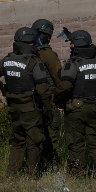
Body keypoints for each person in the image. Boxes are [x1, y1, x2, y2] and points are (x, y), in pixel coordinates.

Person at [0, 27, 53, 176]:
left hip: (13, 108)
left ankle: (11, 173)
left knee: (17, 142)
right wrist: (49, 109)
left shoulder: (7, 59)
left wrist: (2, 87)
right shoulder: (34, 62)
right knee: (33, 142)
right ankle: (33, 175)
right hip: (31, 108)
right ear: (29, 42)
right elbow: (43, 89)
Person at [58, 30, 96, 173]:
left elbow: (64, 86)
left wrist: (58, 100)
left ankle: (78, 173)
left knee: (76, 143)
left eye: (71, 44)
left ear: (75, 45)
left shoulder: (72, 64)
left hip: (76, 109)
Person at [31, 18, 67, 168]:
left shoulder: (28, 54)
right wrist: (61, 99)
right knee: (51, 132)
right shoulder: (47, 54)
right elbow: (58, 78)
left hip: (32, 100)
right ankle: (50, 164)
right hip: (48, 98)